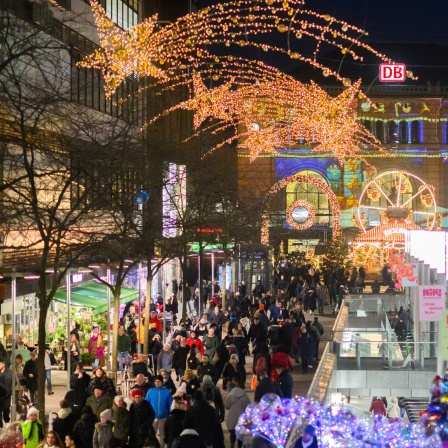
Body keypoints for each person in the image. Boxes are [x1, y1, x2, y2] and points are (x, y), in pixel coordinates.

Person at [145, 375, 173, 448]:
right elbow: (146, 403)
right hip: (153, 418)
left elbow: (170, 404)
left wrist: (169, 414)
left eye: (159, 381)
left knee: (162, 436)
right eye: (156, 381)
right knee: (151, 435)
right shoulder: (150, 391)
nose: (157, 383)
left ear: (162, 382)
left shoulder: (166, 392)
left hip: (163, 417)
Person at [224, 381, 250, 448]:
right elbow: (248, 408)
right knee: (240, 434)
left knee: (232, 432)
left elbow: (227, 406)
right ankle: (239, 446)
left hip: (231, 417)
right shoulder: (245, 396)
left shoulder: (231, 394)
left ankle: (232, 444)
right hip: (241, 418)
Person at [0, 358, 12, 428]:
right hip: (0, 395)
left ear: (3, 364)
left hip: (7, 395)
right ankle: (0, 424)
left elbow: (14, 383)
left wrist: (10, 391)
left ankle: (6, 420)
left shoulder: (10, 372)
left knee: (6, 409)